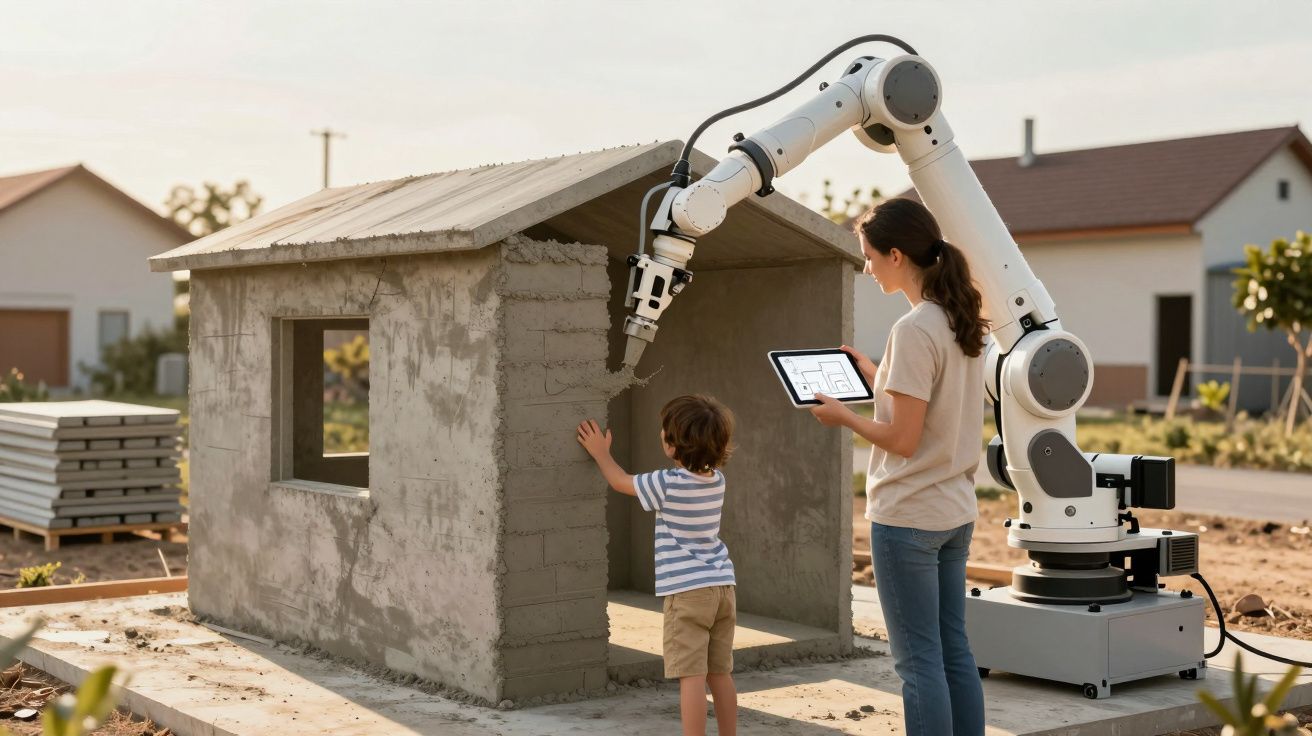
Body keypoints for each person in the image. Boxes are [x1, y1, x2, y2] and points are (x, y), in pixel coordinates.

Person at [810, 197, 990, 736]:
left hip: (909, 517)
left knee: (918, 663)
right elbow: (928, 411)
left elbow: (904, 439)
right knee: (953, 651)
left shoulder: (913, 330)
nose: (865, 268)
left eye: (867, 256)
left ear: (895, 255)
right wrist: (878, 376)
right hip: (954, 512)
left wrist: (845, 417)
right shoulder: (960, 323)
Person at [577, 394, 738, 736]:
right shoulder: (717, 481)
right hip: (723, 587)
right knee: (720, 673)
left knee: (690, 677)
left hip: (688, 593)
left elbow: (621, 482)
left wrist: (601, 454)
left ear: (671, 444)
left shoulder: (668, 484)